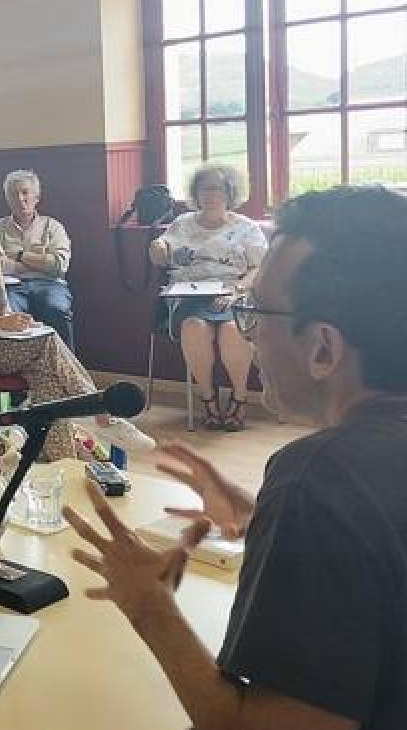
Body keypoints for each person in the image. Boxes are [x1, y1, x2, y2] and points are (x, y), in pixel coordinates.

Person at [65, 184, 407, 730]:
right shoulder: (339, 484)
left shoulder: (316, 479)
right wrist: (264, 517)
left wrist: (148, 605)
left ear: (323, 348)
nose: (249, 328)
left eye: (256, 310)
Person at [0, 193, 153, 461]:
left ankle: (64, 459)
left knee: (46, 374)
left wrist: (20, 323)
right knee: (48, 340)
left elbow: (3, 307)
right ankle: (104, 415)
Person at [148, 164, 268, 431]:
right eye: (205, 189)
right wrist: (158, 247)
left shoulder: (247, 228)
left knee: (231, 330)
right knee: (194, 329)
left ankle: (239, 397)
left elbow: (260, 268)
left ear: (230, 193)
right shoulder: (181, 224)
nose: (211, 195)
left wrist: (236, 290)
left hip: (232, 295)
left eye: (218, 189)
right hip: (188, 297)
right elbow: (160, 256)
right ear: (196, 194)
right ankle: (208, 398)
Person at [0, 170, 75, 347]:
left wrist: (18, 255)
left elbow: (59, 266)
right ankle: (17, 370)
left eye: (25, 192)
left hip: (50, 284)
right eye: (13, 194)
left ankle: (66, 369)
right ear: (7, 199)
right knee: (7, 317)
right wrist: (40, 262)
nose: (19, 198)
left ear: (36, 197)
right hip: (10, 286)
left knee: (56, 309)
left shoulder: (53, 227)